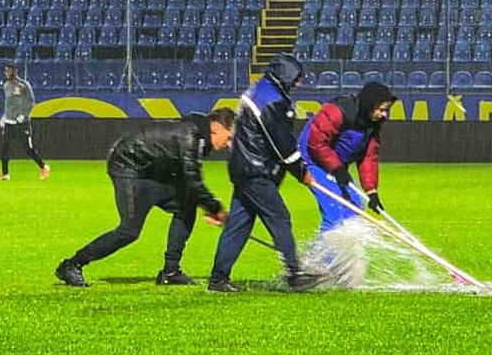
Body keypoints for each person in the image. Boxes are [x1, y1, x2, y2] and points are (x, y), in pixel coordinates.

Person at [54, 109, 235, 288]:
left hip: (150, 170)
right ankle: (71, 265)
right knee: (129, 231)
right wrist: (216, 209)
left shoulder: (198, 136)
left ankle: (171, 272)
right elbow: (193, 180)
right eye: (228, 138)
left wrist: (207, 205)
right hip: (127, 165)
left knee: (186, 207)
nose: (228, 145)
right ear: (216, 127)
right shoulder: (191, 136)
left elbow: (188, 180)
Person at [208, 53, 318, 293]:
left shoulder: (261, 91)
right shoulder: (271, 100)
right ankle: (294, 273)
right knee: (279, 217)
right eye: (296, 78)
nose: (298, 83)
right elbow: (281, 143)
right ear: (284, 75)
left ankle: (218, 279)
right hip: (256, 170)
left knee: (238, 225)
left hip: (244, 168)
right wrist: (301, 171)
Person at [299, 81, 397, 231]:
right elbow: (317, 143)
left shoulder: (373, 125)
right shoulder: (337, 111)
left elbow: (368, 157)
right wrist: (336, 168)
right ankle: (322, 247)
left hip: (335, 164)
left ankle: (344, 247)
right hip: (311, 159)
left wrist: (371, 191)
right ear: (369, 105)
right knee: (335, 213)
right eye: (381, 109)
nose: (385, 114)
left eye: (387, 110)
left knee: (355, 211)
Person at [0, 62, 50, 181]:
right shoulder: (6, 85)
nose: (6, 73)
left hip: (21, 123)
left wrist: (24, 115)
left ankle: (43, 167)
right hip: (9, 122)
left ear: (14, 71)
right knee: (4, 148)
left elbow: (31, 102)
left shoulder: (24, 85)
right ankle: (5, 173)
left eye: (8, 70)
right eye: (5, 71)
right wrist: (4, 116)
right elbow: (9, 103)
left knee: (28, 149)